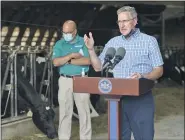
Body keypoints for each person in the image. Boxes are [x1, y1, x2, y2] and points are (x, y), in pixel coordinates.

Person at [84, 6, 164, 140]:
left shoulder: (149, 41)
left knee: (144, 137)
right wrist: (91, 50)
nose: (122, 25)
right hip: (117, 99)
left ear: (135, 21)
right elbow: (98, 67)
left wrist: (143, 76)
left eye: (125, 21)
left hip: (141, 99)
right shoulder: (113, 42)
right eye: (119, 22)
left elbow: (159, 70)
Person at [52, 20, 92, 140]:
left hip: (82, 79)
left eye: (68, 32)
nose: (66, 35)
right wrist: (71, 55)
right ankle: (64, 137)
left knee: (84, 111)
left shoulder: (84, 42)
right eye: (64, 32)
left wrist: (68, 61)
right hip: (65, 80)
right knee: (64, 111)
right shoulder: (59, 44)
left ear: (75, 31)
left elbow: (88, 61)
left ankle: (85, 138)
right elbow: (56, 62)